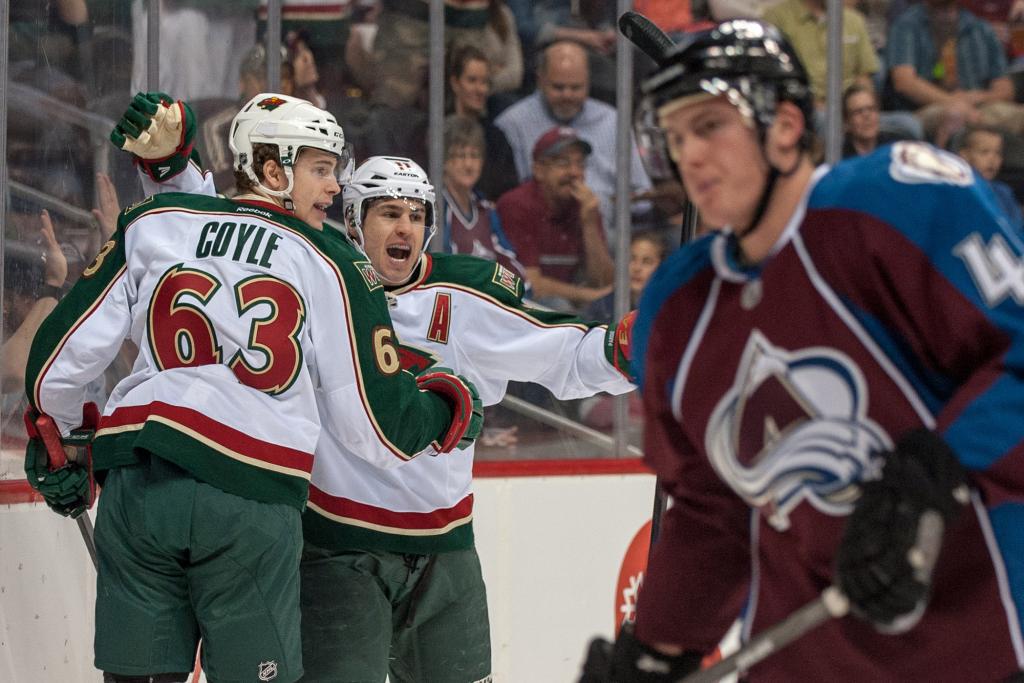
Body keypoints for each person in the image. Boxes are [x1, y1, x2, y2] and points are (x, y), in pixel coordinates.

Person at [580, 19, 1024, 681]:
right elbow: (711, 508)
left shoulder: (893, 204)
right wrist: (657, 650)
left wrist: (942, 472)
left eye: (708, 126)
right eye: (674, 137)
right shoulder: (679, 308)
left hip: (977, 646)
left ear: (785, 125)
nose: (689, 156)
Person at [23, 92, 482, 683]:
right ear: (272, 170)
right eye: (321, 168)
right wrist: (446, 409)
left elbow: (55, 365)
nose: (334, 188)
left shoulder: (153, 221)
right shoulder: (333, 259)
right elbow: (375, 427)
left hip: (137, 484)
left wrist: (56, 439)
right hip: (247, 499)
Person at [494, 39, 652, 230]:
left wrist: (604, 204)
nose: (567, 95)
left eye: (576, 87)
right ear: (540, 80)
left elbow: (643, 196)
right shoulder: (511, 124)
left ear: (587, 81)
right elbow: (505, 198)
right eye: (558, 87)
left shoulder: (613, 121)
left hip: (607, 226)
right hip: (540, 227)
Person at [496, 126, 615, 312]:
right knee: (560, 308)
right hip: (520, 304)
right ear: (538, 170)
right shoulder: (516, 204)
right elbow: (531, 284)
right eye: (563, 164)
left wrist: (589, 223)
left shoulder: (585, 206)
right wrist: (588, 295)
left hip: (570, 301)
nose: (575, 173)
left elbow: (603, 283)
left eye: (580, 164)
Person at [887, 0, 1024, 148]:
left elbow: (1005, 89)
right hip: (929, 108)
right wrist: (954, 102)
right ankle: (944, 169)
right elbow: (904, 82)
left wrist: (976, 98)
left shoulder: (979, 27)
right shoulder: (907, 25)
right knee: (955, 114)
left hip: (979, 106)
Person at [442, 114, 528, 281]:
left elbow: (507, 258)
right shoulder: (436, 206)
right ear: (445, 160)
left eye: (474, 156)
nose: (468, 165)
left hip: (488, 297)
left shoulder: (485, 209)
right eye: (460, 156)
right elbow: (443, 263)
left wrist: (519, 289)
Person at [446, 42, 519, 200]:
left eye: (484, 82)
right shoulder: (435, 130)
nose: (480, 89)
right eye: (472, 80)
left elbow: (508, 189)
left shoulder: (496, 137)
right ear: (455, 83)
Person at [955, 124, 1024, 231]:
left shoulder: (1003, 192)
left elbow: (1015, 230)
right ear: (964, 155)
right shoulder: (956, 190)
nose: (993, 159)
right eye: (984, 152)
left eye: (998, 153)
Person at [841, 82, 906, 158]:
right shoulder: (838, 156)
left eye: (871, 109)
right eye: (858, 112)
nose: (867, 116)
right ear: (847, 121)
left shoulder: (896, 148)